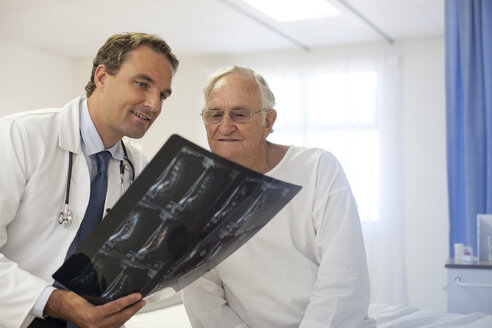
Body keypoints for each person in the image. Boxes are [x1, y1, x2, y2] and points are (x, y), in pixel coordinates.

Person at [0, 32, 179, 328]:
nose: (154, 104)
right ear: (102, 76)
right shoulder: (21, 136)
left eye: (162, 94)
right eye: (142, 83)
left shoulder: (137, 164)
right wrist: (53, 301)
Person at [182, 66, 376, 328]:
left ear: (268, 122)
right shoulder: (196, 197)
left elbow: (343, 276)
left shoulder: (318, 168)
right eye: (215, 115)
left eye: (239, 114)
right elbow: (202, 298)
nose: (225, 126)